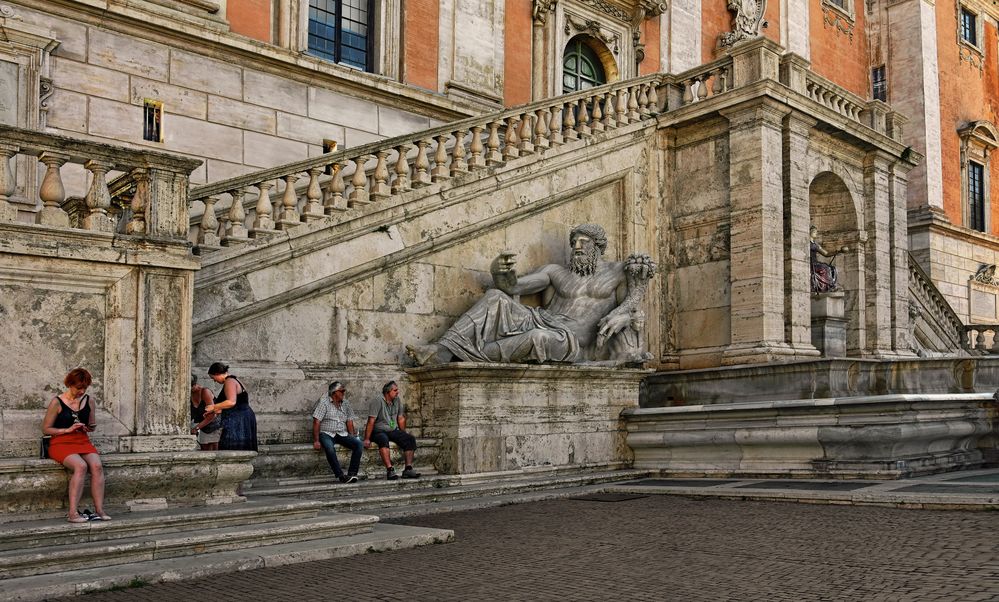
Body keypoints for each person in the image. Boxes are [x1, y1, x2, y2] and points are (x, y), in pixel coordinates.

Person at [406, 223, 656, 365]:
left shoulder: (617, 271)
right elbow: (513, 288)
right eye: (574, 243)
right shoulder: (555, 271)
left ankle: (463, 355)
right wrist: (499, 273)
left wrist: (622, 316)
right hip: (541, 319)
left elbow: (632, 305)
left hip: (570, 339)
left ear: (598, 246)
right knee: (496, 297)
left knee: (539, 338)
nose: (576, 247)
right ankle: (443, 349)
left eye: (583, 242)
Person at [41, 368, 110, 523]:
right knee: (81, 466)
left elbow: (92, 425)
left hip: (82, 441)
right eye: (79, 387)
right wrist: (67, 429)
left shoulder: (89, 400)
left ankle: (99, 510)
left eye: (84, 388)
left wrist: (89, 427)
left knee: (97, 466)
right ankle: (72, 513)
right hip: (60, 442)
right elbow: (46, 429)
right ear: (70, 384)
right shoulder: (57, 402)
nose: (82, 391)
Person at [363, 381, 420, 480]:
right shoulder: (377, 401)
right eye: (395, 390)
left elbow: (401, 418)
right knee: (383, 439)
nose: (398, 392)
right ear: (387, 392)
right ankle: (390, 470)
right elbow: (371, 421)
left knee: (409, 439)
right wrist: (367, 439)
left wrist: (403, 433)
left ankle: (408, 469)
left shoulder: (396, 400)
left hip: (392, 430)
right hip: (378, 431)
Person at [312, 381, 364, 483]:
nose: (343, 393)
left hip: (341, 433)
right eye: (341, 391)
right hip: (326, 433)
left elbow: (349, 421)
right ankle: (341, 476)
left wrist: (352, 435)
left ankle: (352, 474)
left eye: (344, 391)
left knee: (358, 444)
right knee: (330, 448)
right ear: (334, 392)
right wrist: (316, 441)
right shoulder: (324, 403)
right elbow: (316, 421)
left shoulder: (346, 403)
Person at [204, 362, 258, 451]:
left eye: (213, 378)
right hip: (241, 417)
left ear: (217, 374)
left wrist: (213, 407)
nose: (214, 381)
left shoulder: (230, 381)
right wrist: (215, 410)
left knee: (233, 448)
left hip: (238, 419)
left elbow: (231, 402)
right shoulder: (233, 379)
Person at [810, 225, 847, 293]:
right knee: (824, 268)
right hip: (810, 263)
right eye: (815, 232)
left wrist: (837, 251)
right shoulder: (807, 243)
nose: (816, 233)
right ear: (810, 232)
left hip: (815, 263)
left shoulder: (816, 245)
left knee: (832, 268)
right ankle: (827, 286)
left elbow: (826, 253)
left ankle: (831, 285)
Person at [191, 373, 222, 451]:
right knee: (204, 451)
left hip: (214, 426)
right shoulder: (189, 394)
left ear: (194, 385)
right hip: (203, 427)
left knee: (214, 453)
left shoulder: (205, 392)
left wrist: (196, 428)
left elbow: (212, 415)